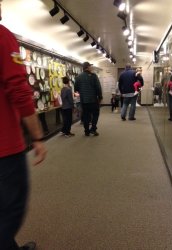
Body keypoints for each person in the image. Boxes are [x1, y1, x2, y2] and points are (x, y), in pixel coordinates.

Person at [0, 1, 47, 249]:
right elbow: (19, 89)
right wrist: (37, 136)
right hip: (4, 146)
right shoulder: (2, 36)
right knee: (12, 208)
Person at [75, 62, 103, 136]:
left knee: (86, 115)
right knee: (95, 114)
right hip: (93, 100)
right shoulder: (94, 76)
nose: (91, 67)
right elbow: (98, 88)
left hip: (84, 101)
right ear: (87, 67)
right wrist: (100, 97)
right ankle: (93, 129)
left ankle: (86, 131)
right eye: (90, 66)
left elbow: (76, 89)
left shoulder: (78, 77)